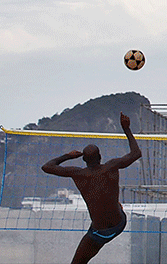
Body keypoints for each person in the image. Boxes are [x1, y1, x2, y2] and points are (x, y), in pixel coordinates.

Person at [41, 113, 142, 264]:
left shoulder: (78, 174)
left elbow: (46, 167)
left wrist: (68, 156)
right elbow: (136, 153)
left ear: (83, 160)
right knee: (114, 205)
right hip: (120, 223)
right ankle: (117, 208)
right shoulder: (111, 166)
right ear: (100, 156)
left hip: (99, 233)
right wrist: (126, 129)